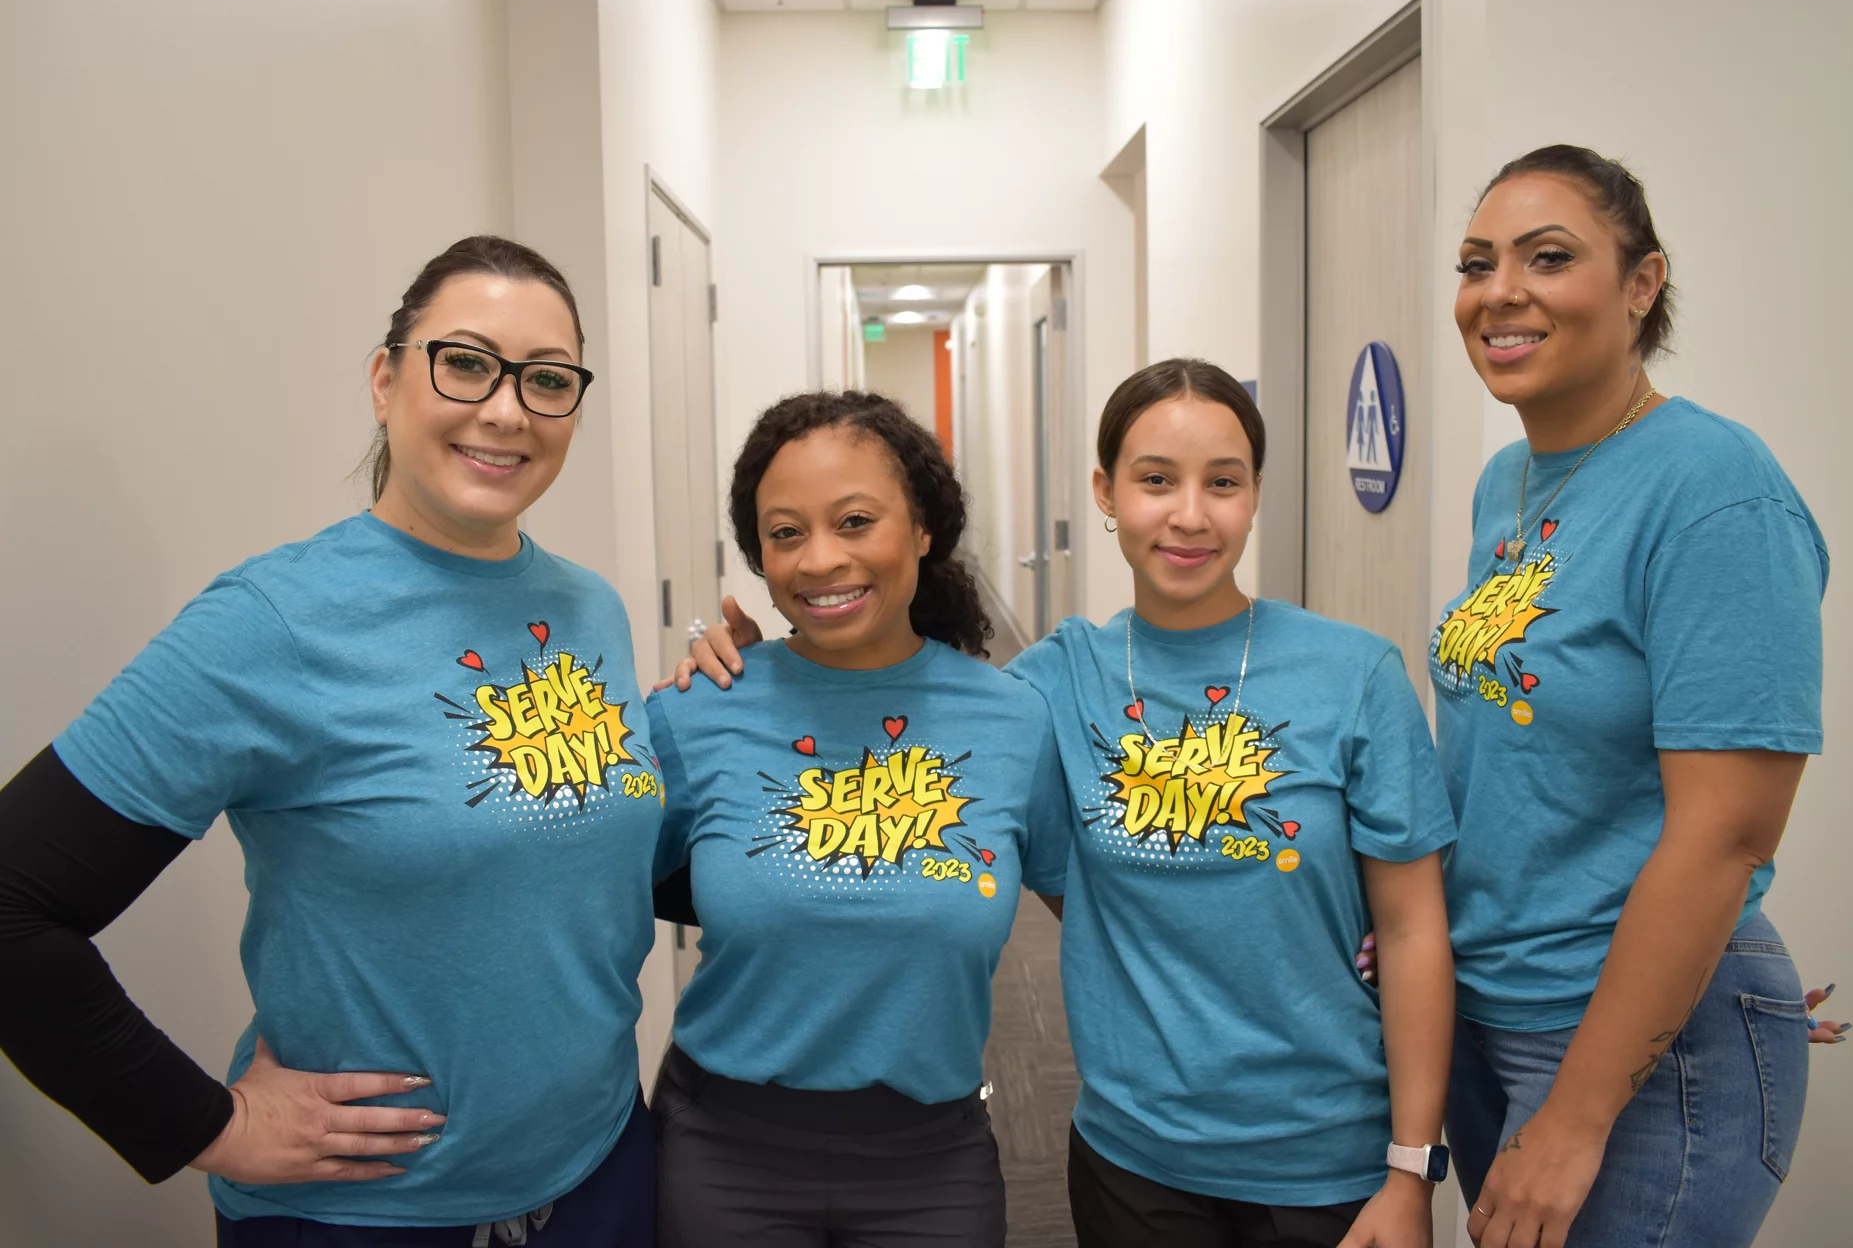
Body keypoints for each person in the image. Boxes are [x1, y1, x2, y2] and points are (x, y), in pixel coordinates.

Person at [672, 360, 1459, 1248]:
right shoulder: (1047, 684)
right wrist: (743, 670)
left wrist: (1412, 1163)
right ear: (1107, 492)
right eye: (1155, 479)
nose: (1189, 514)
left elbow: (1413, 929)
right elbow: (1038, 862)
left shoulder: (1352, 673)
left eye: (1223, 483)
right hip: (1134, 1153)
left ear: (1255, 494)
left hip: (1328, 1153)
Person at [0, 235, 665, 1247]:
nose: (506, 409)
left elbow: (571, 861)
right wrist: (203, 1122)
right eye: (468, 362)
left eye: (548, 379)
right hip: (368, 1216)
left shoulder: (590, 607)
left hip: (601, 1169)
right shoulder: (275, 621)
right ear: (385, 380)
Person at [1434, 145, 1827, 1248]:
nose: (1500, 290)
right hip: (1496, 1004)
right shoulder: (1506, 482)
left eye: (1548, 257)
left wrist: (1576, 1114)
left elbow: (1726, 833)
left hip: (1631, 1054)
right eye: (1476, 263)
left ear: (1642, 283)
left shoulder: (1715, 490)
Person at [644, 391, 1072, 1247]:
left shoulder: (1015, 721)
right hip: (724, 1145)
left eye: (854, 521)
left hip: (930, 1155)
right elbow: (573, 905)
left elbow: (1111, 925)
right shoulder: (698, 712)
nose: (820, 560)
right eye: (786, 533)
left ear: (922, 530)